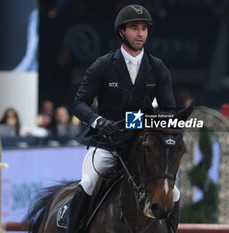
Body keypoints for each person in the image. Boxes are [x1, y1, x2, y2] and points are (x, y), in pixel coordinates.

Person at [68, 4, 179, 233]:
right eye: (134, 28)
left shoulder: (157, 68)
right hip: (108, 144)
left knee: (174, 193)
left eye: (144, 29)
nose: (141, 34)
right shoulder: (103, 65)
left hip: (143, 146)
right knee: (88, 183)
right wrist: (99, 121)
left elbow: (169, 109)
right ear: (122, 32)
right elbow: (79, 103)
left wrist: (150, 121)